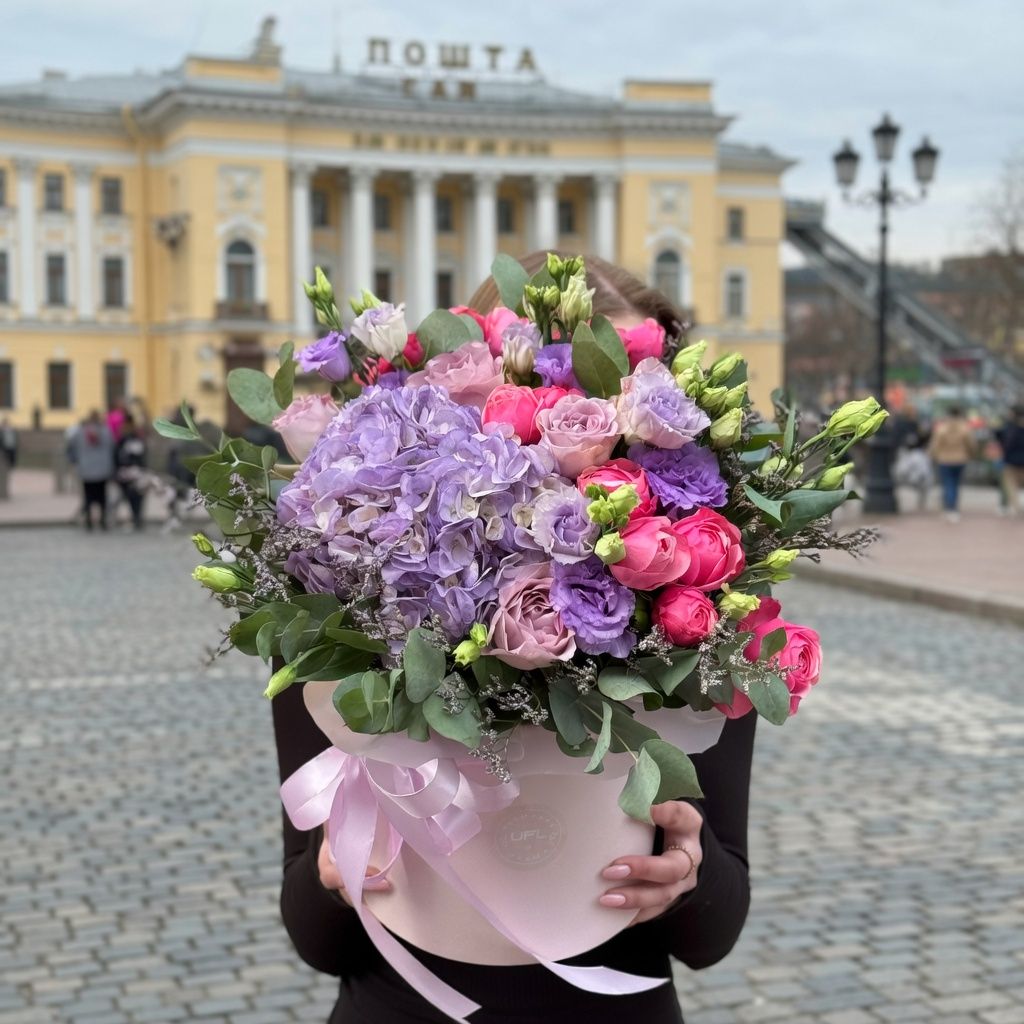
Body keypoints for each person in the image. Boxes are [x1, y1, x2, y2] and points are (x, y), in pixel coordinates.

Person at [272, 252, 755, 1024]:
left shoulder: (700, 614)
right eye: (585, 390)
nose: (612, 434)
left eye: (638, 392)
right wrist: (336, 868)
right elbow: (315, 936)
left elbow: (714, 934)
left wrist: (687, 878)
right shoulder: (344, 602)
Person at [67, 411, 115, 531]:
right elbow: (113, 447)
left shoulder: (80, 432)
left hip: (85, 469)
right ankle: (102, 520)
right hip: (103, 469)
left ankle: (89, 520)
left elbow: (70, 447)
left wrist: (75, 460)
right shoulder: (106, 431)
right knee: (102, 496)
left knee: (88, 495)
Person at [928, 404, 976, 522]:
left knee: (947, 484)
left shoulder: (942, 428)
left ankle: (949, 508)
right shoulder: (965, 428)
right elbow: (971, 444)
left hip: (944, 459)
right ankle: (953, 508)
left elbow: (935, 445)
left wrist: (933, 455)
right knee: (956, 484)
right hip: (960, 459)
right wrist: (971, 454)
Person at [892, 405, 932, 512]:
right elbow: (896, 438)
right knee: (901, 475)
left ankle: (920, 500)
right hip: (906, 453)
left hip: (914, 453)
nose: (914, 413)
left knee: (922, 477)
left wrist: (925, 433)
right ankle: (903, 499)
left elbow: (922, 439)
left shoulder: (916, 424)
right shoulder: (901, 424)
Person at [114, 413, 148, 530]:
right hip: (127, 472)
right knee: (132, 496)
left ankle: (137, 518)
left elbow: (139, 455)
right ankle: (136, 517)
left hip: (134, 471)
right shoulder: (125, 438)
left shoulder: (133, 437)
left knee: (136, 496)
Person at [996, 404, 1024, 516]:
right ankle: (1014, 507)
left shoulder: (1010, 427)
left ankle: (1016, 507)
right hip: (1015, 460)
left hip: (1011, 460)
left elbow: (1004, 440)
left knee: (1011, 486)